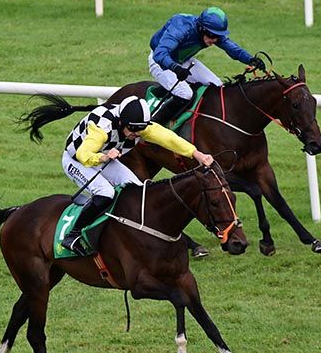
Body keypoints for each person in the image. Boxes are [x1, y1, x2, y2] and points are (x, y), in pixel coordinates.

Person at [61, 95, 214, 256]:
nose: (136, 134)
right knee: (105, 193)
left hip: (104, 157)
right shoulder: (102, 127)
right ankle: (72, 235)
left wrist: (197, 154)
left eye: (139, 130)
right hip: (76, 160)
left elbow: (170, 139)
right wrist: (103, 157)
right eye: (132, 129)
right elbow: (83, 155)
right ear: (121, 122)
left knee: (141, 193)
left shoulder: (139, 125)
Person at [149, 6, 267, 124]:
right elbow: (160, 54)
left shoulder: (211, 32)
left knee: (218, 86)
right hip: (160, 62)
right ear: (202, 29)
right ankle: (153, 124)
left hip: (183, 60)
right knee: (185, 94)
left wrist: (250, 59)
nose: (215, 40)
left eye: (217, 36)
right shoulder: (181, 27)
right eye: (212, 36)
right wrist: (175, 68)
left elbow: (232, 48)